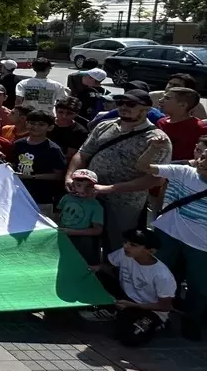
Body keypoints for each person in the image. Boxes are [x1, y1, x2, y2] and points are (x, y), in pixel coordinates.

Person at [67, 90, 171, 251]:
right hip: (88, 195)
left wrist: (111, 189)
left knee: (118, 244)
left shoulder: (157, 139)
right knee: (85, 240)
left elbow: (155, 179)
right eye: (120, 103)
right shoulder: (104, 126)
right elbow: (83, 153)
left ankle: (115, 274)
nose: (123, 107)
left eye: (130, 104)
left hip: (124, 204)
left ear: (146, 109)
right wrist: (70, 177)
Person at [136, 134, 207, 339]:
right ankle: (158, 316)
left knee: (199, 286)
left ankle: (192, 319)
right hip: (167, 233)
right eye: (202, 157)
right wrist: (152, 149)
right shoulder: (184, 171)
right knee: (159, 275)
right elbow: (142, 167)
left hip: (201, 244)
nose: (202, 162)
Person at [82, 227, 176, 347]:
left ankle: (158, 325)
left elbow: (165, 306)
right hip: (125, 296)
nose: (126, 246)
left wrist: (133, 305)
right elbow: (107, 266)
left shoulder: (162, 275)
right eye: (125, 242)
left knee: (130, 339)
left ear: (150, 251)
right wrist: (91, 268)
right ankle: (116, 311)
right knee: (95, 276)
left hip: (150, 309)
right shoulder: (124, 253)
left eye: (133, 245)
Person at [10, 110, 67, 212]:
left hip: (42, 198)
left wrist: (32, 177)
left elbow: (58, 175)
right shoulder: (18, 144)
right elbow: (13, 163)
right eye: (32, 123)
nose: (35, 127)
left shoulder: (53, 149)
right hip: (18, 194)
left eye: (41, 125)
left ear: (50, 127)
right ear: (26, 124)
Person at [56, 169, 106, 263]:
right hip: (62, 236)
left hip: (81, 241)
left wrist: (72, 232)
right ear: (73, 184)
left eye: (88, 186)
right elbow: (58, 213)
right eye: (79, 185)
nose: (83, 190)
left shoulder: (96, 206)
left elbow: (97, 230)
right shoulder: (67, 198)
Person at [156, 87, 207, 162]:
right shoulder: (161, 122)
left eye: (167, 98)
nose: (160, 100)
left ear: (183, 105)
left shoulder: (200, 128)